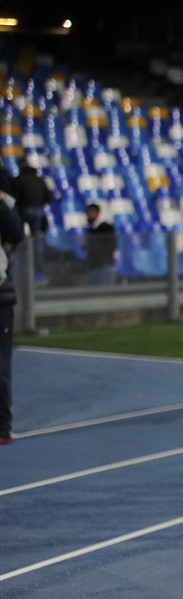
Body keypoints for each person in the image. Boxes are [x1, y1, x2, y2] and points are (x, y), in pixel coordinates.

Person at [0, 169, 25, 445]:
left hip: (1, 295)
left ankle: (2, 427)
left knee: (1, 365)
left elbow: (16, 234)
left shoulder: (6, 206)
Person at [11, 158, 52, 284]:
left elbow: (14, 198)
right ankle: (38, 271)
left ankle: (20, 271)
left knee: (19, 240)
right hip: (37, 211)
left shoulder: (19, 180)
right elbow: (48, 198)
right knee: (36, 241)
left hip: (23, 211)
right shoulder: (39, 180)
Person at [83, 203, 118, 285]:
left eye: (91, 212)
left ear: (97, 213)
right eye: (88, 213)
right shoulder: (90, 230)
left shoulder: (106, 228)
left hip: (105, 265)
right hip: (93, 266)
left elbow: (110, 245)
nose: (89, 215)